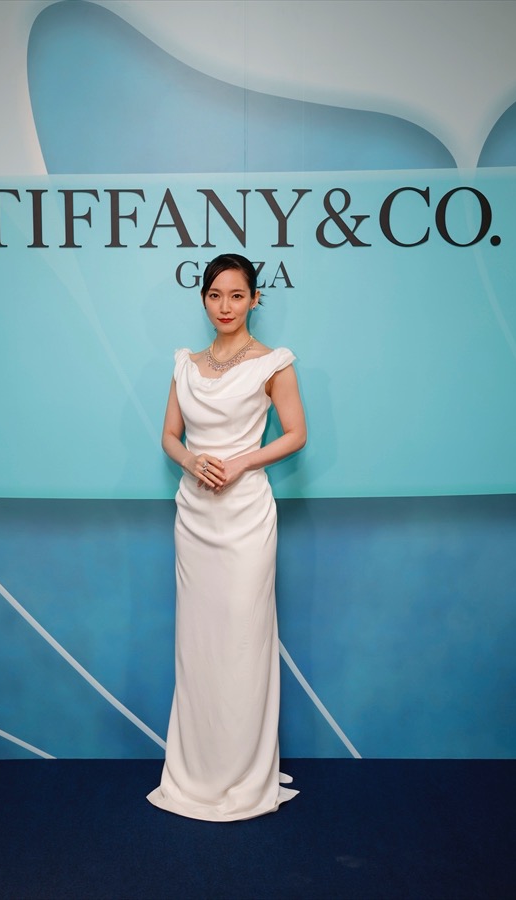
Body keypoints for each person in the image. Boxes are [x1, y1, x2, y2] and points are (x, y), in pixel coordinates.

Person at [147, 253, 306, 821]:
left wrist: (240, 462)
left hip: (245, 517)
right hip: (194, 516)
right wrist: (192, 461)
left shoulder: (273, 363)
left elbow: (295, 434)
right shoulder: (184, 364)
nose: (225, 306)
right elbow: (169, 435)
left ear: (255, 299)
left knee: (242, 640)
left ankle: (244, 771)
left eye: (237, 295)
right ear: (203, 299)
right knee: (199, 644)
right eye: (215, 295)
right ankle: (198, 768)